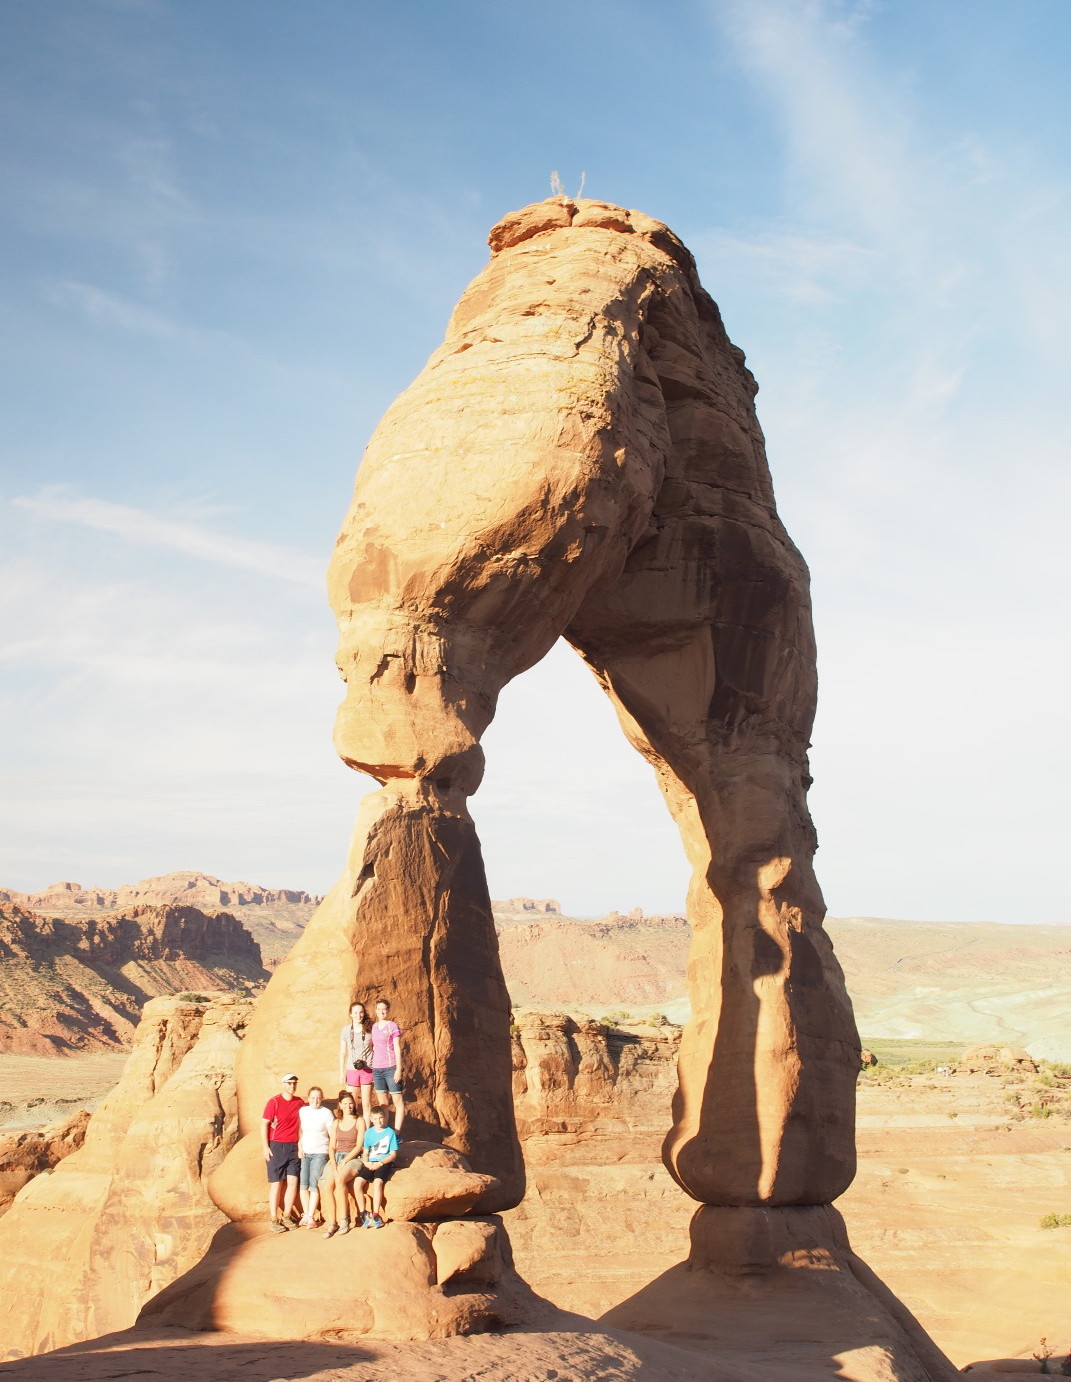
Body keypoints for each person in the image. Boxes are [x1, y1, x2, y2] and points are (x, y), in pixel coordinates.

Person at [261, 1072, 305, 1232]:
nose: (292, 1086)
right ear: (283, 1084)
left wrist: (301, 1144)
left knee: (293, 1181)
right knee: (277, 1183)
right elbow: (264, 1124)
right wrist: (266, 1147)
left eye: (294, 1083)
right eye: (289, 1083)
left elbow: (303, 1124)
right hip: (277, 1146)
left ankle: (286, 1216)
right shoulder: (274, 1102)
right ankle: (273, 1218)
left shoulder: (300, 1102)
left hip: (293, 1146)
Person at [322, 1089, 365, 1239]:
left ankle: (344, 1220)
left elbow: (359, 1146)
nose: (349, 1106)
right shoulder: (336, 1122)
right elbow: (332, 1146)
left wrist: (344, 1161)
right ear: (340, 1105)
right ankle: (331, 1223)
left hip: (353, 1157)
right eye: (345, 1104)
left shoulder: (359, 1120)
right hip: (337, 1157)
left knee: (340, 1179)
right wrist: (333, 1164)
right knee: (327, 1185)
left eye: (351, 1103)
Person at [353, 1104, 399, 1228]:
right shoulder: (368, 1133)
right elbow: (365, 1152)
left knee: (378, 1183)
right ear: (371, 1120)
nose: (378, 1121)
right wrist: (366, 1162)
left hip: (383, 1163)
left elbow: (393, 1154)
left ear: (384, 1117)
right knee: (357, 1183)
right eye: (375, 1119)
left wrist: (381, 1163)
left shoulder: (390, 1133)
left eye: (381, 1118)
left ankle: (375, 1214)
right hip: (370, 1162)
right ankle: (363, 1213)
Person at [296, 1085, 333, 1228]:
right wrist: (300, 1147)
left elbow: (331, 1133)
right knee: (303, 1184)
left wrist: (332, 1152)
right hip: (305, 1151)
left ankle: (310, 1216)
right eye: (312, 1098)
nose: (315, 1100)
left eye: (318, 1098)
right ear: (308, 1098)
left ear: (322, 1099)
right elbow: (299, 1131)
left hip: (320, 1152)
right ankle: (306, 1214)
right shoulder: (303, 1111)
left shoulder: (326, 1113)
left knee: (314, 1184)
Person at [370, 997, 404, 1131]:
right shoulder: (374, 1027)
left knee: (397, 1101)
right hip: (377, 1069)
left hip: (391, 1067)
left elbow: (397, 1047)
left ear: (388, 1010)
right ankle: (384, 1131)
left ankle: (397, 1132)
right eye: (379, 1009)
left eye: (384, 1009)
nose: (381, 1011)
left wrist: (398, 1069)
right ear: (376, 1011)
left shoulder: (392, 1026)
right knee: (383, 1103)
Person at [338, 1000, 375, 1122]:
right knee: (351, 1104)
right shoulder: (346, 1030)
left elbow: (375, 1047)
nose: (358, 1015)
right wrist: (342, 1073)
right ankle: (353, 1130)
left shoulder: (370, 1029)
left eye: (361, 1012)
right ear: (350, 1014)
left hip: (367, 1069)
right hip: (352, 1069)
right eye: (355, 1013)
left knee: (366, 1104)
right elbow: (343, 1053)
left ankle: (365, 1134)